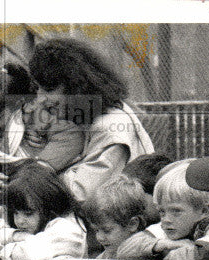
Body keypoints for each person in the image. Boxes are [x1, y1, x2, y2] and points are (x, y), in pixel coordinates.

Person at [26, 37, 154, 208]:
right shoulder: (91, 115)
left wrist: (31, 177)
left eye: (48, 89)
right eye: (38, 89)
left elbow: (82, 194)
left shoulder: (109, 127)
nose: (40, 99)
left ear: (75, 87)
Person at [0, 63, 85, 204]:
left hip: (50, 187)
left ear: (16, 105)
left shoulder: (35, 116)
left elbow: (71, 135)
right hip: (14, 197)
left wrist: (41, 166)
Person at [0, 162, 86, 260]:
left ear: (50, 205)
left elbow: (28, 257)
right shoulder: (18, 229)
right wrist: (14, 236)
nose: (19, 221)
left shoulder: (70, 228)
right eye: (15, 213)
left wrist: (0, 246)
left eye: (28, 213)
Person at [117, 161, 209, 260]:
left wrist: (162, 253)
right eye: (162, 211)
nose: (166, 219)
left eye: (176, 211)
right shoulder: (171, 226)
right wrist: (164, 244)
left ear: (204, 211)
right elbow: (124, 253)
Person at [82, 176, 150, 258]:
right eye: (96, 230)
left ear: (133, 224)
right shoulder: (104, 257)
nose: (99, 237)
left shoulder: (148, 253)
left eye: (107, 230)